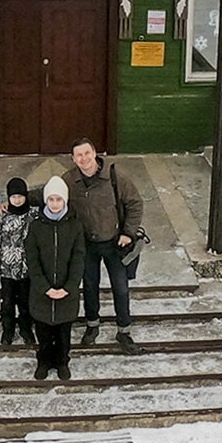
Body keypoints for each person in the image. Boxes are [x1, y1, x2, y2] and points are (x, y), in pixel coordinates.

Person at [59, 137, 143, 352]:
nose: (84, 158)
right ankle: (92, 325)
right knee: (89, 286)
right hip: (87, 245)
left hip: (115, 244)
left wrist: (128, 233)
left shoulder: (115, 177)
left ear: (94, 153)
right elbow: (49, 195)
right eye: (79, 155)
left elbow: (135, 203)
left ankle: (124, 331)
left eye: (87, 153)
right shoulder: (69, 180)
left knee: (121, 288)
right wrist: (18, 197)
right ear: (73, 159)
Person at [25, 175, 86, 381]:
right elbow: (32, 260)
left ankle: (61, 361)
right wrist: (44, 287)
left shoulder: (75, 226)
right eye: (51, 199)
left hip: (66, 293)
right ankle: (43, 361)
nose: (54, 203)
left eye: (58, 199)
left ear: (65, 200)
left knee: (63, 334)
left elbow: (78, 258)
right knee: (42, 333)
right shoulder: (35, 227)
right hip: (42, 293)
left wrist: (69, 286)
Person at [0, 176, 38, 349]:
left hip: (26, 267)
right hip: (7, 267)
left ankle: (26, 329)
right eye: (13, 197)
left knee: (26, 301)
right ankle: (7, 329)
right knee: (8, 301)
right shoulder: (2, 215)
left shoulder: (33, 214)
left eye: (20, 196)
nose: (17, 200)